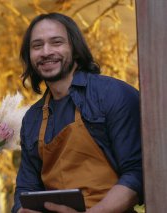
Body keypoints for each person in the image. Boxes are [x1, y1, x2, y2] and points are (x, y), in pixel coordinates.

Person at [12, 13, 143, 213]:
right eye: (37, 46)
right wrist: (22, 209)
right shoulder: (32, 118)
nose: (46, 52)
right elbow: (26, 188)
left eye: (56, 42)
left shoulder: (113, 94)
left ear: (74, 47)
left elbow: (138, 173)